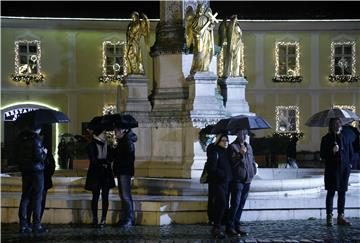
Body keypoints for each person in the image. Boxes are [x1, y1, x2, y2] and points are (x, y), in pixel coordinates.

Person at [320, 117, 353, 227]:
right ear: (330, 126)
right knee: (331, 192)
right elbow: (322, 155)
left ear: (341, 125)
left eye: (338, 123)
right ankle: (329, 217)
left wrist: (349, 165)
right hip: (332, 170)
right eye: (334, 124)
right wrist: (332, 150)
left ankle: (341, 217)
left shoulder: (345, 137)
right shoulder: (326, 139)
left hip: (344, 169)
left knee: (342, 193)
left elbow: (350, 152)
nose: (336, 125)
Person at [15, 125, 48, 234]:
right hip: (37, 171)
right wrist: (44, 153)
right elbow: (38, 157)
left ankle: (23, 225)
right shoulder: (36, 138)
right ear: (37, 128)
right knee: (38, 197)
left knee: (25, 196)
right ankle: (36, 225)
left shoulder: (21, 138)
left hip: (25, 170)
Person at [84, 121, 115, 228]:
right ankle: (95, 218)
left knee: (105, 197)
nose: (105, 134)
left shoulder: (108, 144)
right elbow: (94, 160)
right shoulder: (91, 145)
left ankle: (104, 219)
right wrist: (105, 162)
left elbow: (111, 158)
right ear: (98, 134)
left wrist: (107, 161)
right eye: (104, 133)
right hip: (95, 174)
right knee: (95, 196)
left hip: (106, 174)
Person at [226, 129, 257, 236]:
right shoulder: (232, 147)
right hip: (237, 180)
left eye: (245, 133)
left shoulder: (249, 146)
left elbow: (252, 160)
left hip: (247, 180)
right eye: (241, 133)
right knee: (235, 203)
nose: (243, 136)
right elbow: (231, 163)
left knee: (241, 204)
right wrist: (240, 154)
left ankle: (236, 225)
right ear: (237, 134)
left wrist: (253, 171)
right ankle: (229, 227)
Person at [207, 134, 232, 239]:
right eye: (223, 140)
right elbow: (211, 169)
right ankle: (216, 227)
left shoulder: (226, 152)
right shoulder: (215, 152)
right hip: (218, 183)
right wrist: (222, 174)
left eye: (227, 140)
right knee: (221, 204)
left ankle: (219, 227)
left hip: (226, 183)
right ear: (218, 141)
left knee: (224, 205)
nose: (226, 142)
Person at [111, 128, 138, 227]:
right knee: (123, 195)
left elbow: (128, 158)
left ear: (123, 130)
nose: (115, 133)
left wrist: (117, 152)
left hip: (124, 171)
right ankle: (125, 218)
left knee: (126, 196)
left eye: (116, 131)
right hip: (121, 171)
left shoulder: (127, 142)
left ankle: (129, 219)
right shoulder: (122, 142)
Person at [27, 148, 55, 225]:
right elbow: (51, 164)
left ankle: (29, 222)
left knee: (31, 201)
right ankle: (36, 222)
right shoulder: (44, 151)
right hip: (42, 178)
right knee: (40, 202)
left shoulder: (29, 149)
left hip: (34, 178)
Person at [186, 4, 216, 75]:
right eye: (201, 8)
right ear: (198, 9)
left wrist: (211, 24)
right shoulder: (196, 18)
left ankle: (205, 67)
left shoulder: (206, 17)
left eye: (203, 8)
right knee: (200, 52)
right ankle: (198, 67)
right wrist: (197, 33)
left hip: (207, 37)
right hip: (199, 38)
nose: (202, 9)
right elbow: (193, 28)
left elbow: (210, 27)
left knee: (206, 52)